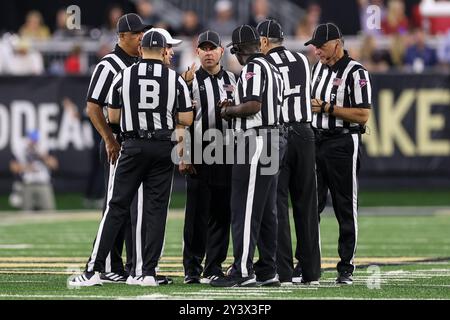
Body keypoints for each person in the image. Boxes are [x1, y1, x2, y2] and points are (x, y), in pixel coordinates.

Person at [69, 30, 193, 287]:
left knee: (116, 207)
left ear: (141, 49)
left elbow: (113, 117)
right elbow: (186, 119)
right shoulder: (175, 80)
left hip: (133, 145)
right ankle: (147, 272)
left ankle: (93, 270)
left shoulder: (124, 76)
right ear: (162, 51)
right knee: (156, 211)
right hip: (162, 146)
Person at [210, 25, 284, 287]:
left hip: (256, 140)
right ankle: (267, 269)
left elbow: (253, 105)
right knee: (265, 211)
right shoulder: (273, 67)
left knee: (245, 206)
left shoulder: (254, 67)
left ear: (240, 49)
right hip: (273, 138)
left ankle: (242, 270)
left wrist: (229, 111)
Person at [84, 13, 149, 284]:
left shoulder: (141, 62)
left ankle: (133, 265)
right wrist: (110, 139)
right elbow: (92, 107)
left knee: (132, 206)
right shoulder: (108, 65)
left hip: (137, 143)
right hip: (117, 141)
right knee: (116, 204)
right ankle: (110, 264)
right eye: (137, 35)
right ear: (122, 37)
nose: (142, 38)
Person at [304, 23, 372, 285]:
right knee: (312, 206)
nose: (317, 51)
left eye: (321, 46)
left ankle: (346, 267)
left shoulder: (356, 72)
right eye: (315, 47)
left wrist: (329, 108)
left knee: (344, 206)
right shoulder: (317, 69)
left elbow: (363, 114)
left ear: (336, 43)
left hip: (343, 142)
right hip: (316, 142)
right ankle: (309, 264)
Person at [257, 19, 321, 285]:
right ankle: (311, 273)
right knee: (307, 205)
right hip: (305, 134)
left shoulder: (264, 65)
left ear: (263, 41)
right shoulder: (302, 61)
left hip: (278, 134)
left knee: (277, 204)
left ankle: (282, 271)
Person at [180, 30, 236, 284]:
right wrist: (183, 153)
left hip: (227, 151)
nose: (209, 52)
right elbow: (179, 122)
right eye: (204, 48)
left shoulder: (234, 79)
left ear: (222, 51)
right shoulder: (188, 81)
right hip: (199, 150)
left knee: (222, 211)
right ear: (197, 51)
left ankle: (214, 265)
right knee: (196, 213)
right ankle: (192, 267)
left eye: (213, 48)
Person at [9, 130, 58, 211]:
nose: (33, 142)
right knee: (26, 212)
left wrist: (43, 156)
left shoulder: (44, 149)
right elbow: (13, 167)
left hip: (43, 184)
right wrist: (27, 167)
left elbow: (54, 165)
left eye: (35, 140)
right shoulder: (21, 149)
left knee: (49, 211)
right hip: (27, 184)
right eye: (32, 140)